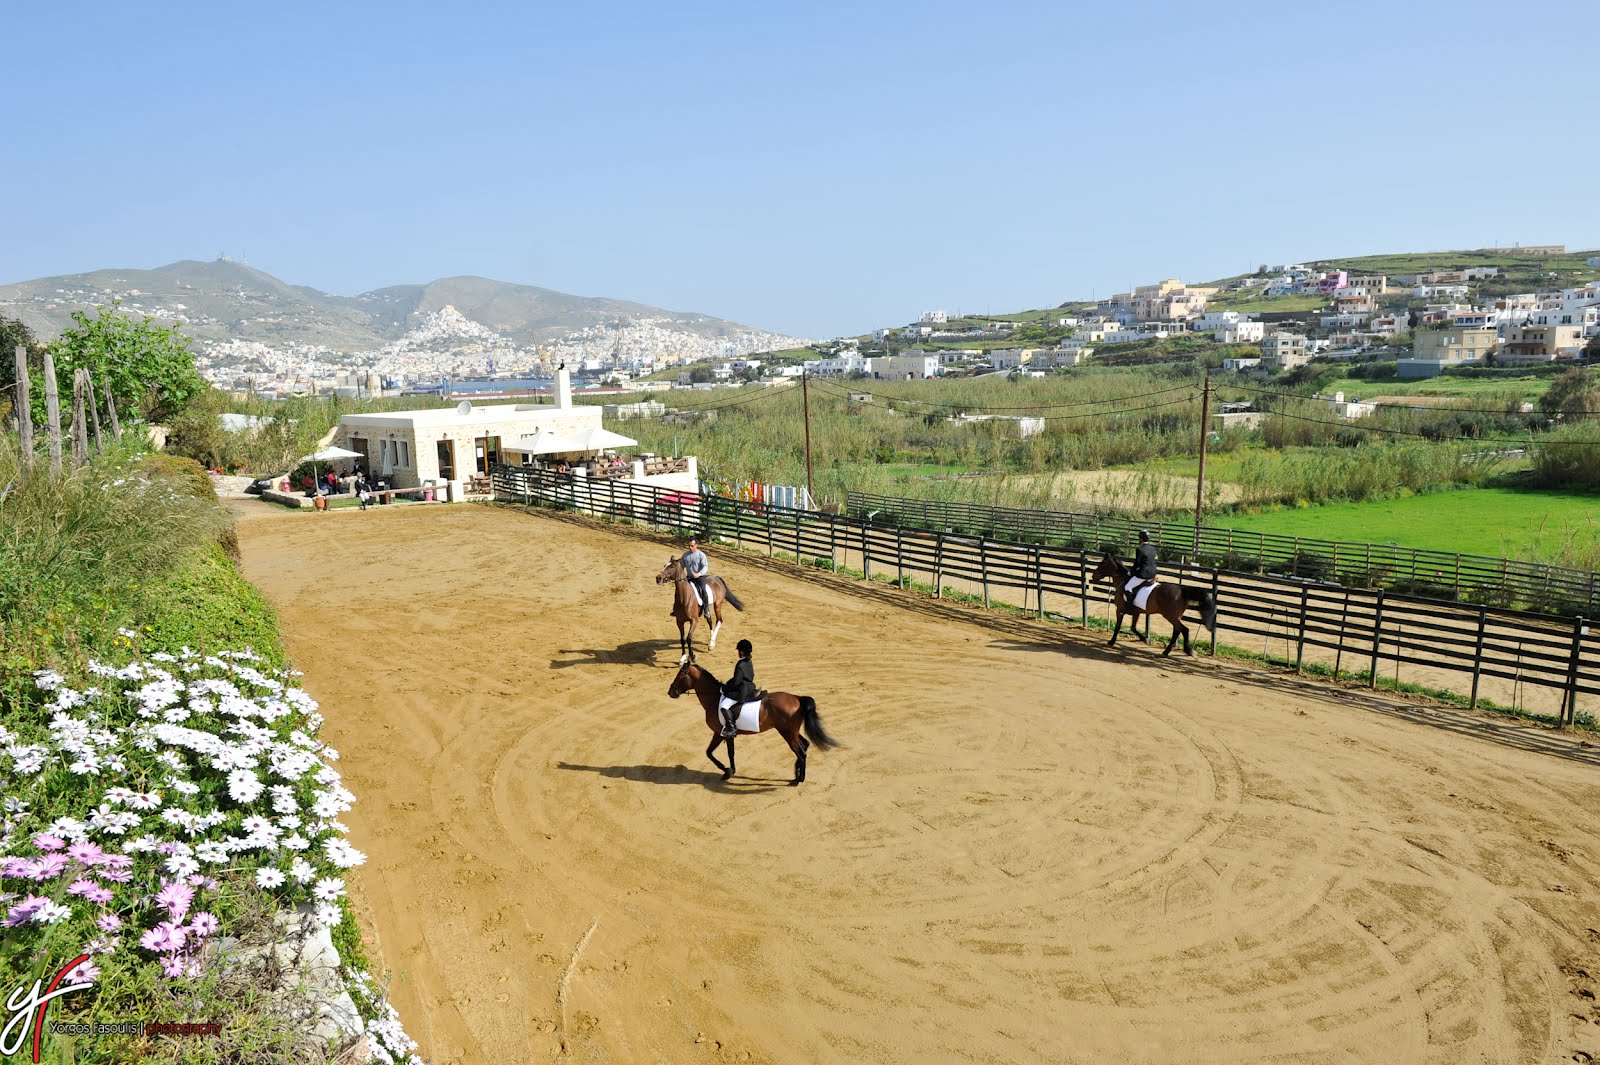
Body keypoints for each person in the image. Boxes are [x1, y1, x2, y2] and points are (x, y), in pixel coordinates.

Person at [719, 639, 760, 737]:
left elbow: (736, 682)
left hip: (742, 690)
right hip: (750, 686)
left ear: (741, 651)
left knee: (724, 705)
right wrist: (729, 682)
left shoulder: (740, 665)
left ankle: (731, 728)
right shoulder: (749, 661)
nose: (738, 652)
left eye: (739, 650)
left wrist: (725, 688)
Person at [1125, 530, 1159, 606]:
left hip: (1144, 574)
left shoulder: (1140, 549)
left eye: (1139, 538)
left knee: (1128, 587)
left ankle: (1130, 606)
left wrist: (1131, 572)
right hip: (1153, 573)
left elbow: (1137, 564)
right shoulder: (1152, 548)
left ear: (1141, 539)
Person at [680, 537, 710, 611]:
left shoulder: (701, 555)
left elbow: (705, 567)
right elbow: (681, 566)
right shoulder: (685, 555)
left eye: (692, 546)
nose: (690, 547)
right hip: (689, 577)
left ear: (696, 545)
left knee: (703, 590)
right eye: (689, 546)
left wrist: (699, 574)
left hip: (699, 577)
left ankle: (706, 609)